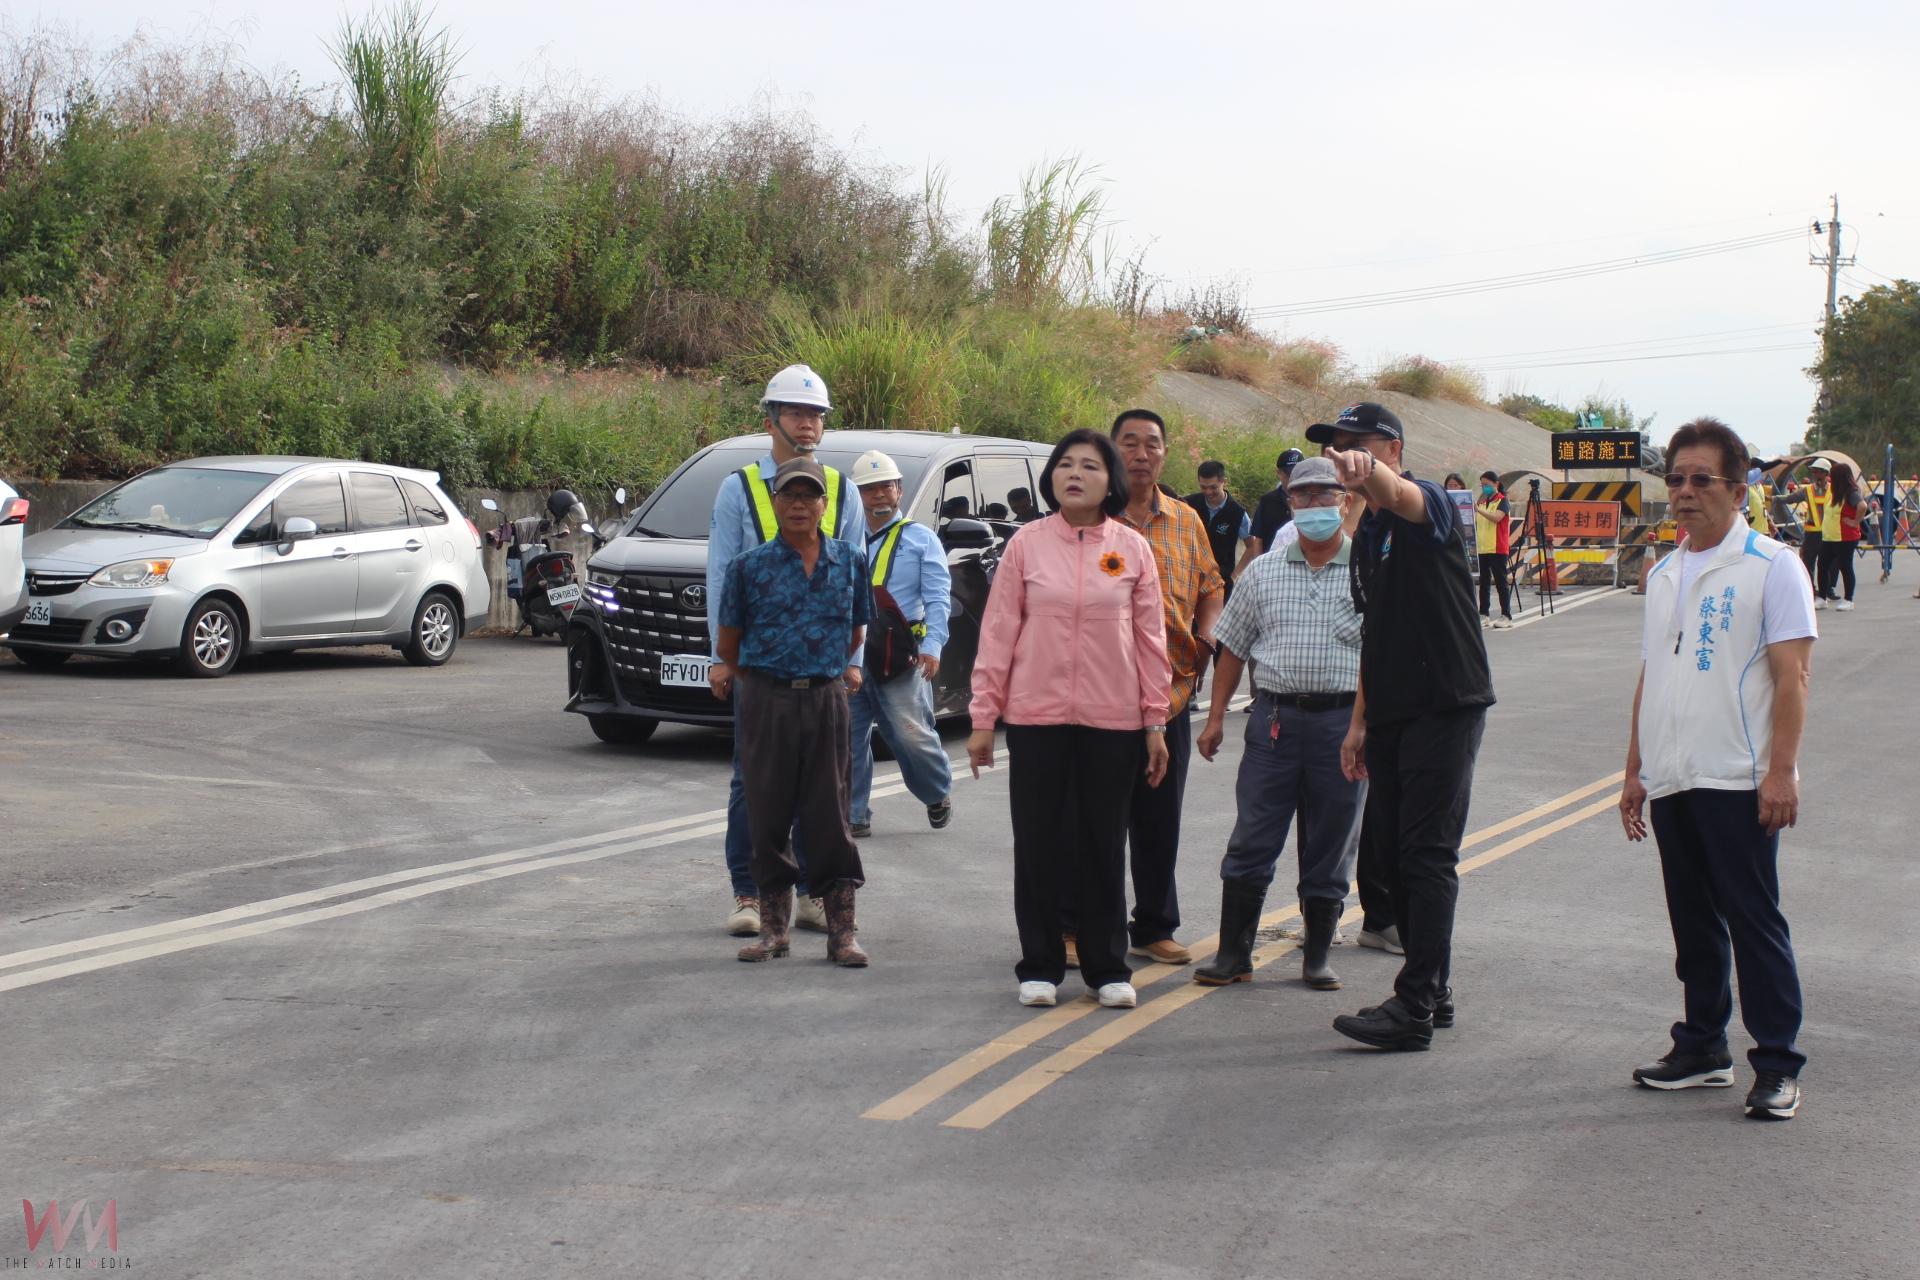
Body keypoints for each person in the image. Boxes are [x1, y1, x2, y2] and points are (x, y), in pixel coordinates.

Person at [1619, 417, 1815, 1120]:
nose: (1684, 492)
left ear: (1737, 489)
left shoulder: (1772, 566)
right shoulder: (1666, 571)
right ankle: (1702, 1046)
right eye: (1675, 478)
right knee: (1692, 922)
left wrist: (1781, 771)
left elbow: (1792, 678)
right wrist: (1635, 769)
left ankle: (1778, 1063)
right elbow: (1655, 672)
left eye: (1702, 479)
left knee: (1752, 918)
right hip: (1674, 776)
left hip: (1738, 777)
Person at [968, 429, 1172, 1010]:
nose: (1074, 473)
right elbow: (999, 632)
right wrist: (985, 716)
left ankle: (1107, 966)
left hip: (1114, 721)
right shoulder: (1027, 545)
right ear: (1051, 477)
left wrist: (1154, 721)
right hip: (1037, 717)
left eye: (1089, 465)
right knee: (1038, 842)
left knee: (1103, 843)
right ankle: (1039, 964)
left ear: (1110, 479)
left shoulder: (1132, 548)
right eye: (1065, 465)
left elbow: (1150, 640)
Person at [1314, 403, 1495, 1051]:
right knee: (1389, 853)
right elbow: (1374, 632)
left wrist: (1369, 477)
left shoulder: (1431, 505)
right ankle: (1434, 989)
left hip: (1444, 702)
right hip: (1390, 710)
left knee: (1426, 855)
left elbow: (1398, 492)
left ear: (1390, 448)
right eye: (1335, 449)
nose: (1340, 459)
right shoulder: (1370, 532)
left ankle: (1415, 1004)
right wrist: (1359, 723)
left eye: (1353, 448)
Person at [1193, 457, 1366, 992]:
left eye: (1324, 495)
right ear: (1288, 502)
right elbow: (1232, 650)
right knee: (1253, 835)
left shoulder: (1371, 572)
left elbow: (1386, 658)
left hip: (1344, 723)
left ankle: (1316, 956)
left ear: (1345, 499)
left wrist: (1369, 727)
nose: (1314, 506)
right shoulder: (1263, 570)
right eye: (1303, 496)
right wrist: (1216, 717)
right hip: (1273, 722)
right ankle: (1233, 954)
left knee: (1331, 841)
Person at [707, 364, 861, 938]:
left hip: (821, 670)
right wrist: (724, 658)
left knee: (822, 786)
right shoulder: (739, 487)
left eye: (817, 415)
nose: (808, 424)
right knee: (754, 780)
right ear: (769, 419)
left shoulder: (840, 488)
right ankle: (749, 892)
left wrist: (853, 662)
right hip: (760, 667)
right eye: (796, 413)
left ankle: (813, 893)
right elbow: (723, 578)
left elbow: (853, 579)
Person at [1111, 408, 1226, 965]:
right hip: (1099, 696)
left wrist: (1206, 639)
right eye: (1128, 443)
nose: (1140, 453)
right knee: (1095, 819)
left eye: (1151, 444)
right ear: (1112, 450)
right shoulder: (1089, 518)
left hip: (1171, 693)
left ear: (1164, 453)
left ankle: (1154, 925)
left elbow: (1212, 583)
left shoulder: (1185, 519)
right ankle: (1078, 923)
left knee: (1159, 819)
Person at [846, 449, 954, 838]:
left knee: (911, 736)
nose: (878, 495)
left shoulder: (920, 539)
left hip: (901, 658)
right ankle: (853, 815)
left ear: (899, 491)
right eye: (869, 488)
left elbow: (939, 597)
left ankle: (936, 792)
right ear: (856, 494)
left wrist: (934, 647)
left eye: (885, 487)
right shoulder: (846, 538)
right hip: (852, 653)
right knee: (848, 739)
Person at [1184, 460, 1252, 601]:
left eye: (1213, 487)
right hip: (1189, 577)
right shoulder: (1188, 504)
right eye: (1203, 487)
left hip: (1220, 581)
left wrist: (1236, 574)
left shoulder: (1237, 513)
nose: (1208, 492)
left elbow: (1252, 545)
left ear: (1223, 482)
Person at [1235, 447, 1307, 578]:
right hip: (1272, 570)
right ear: (1279, 473)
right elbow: (1258, 539)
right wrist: (1259, 571)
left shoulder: (1312, 499)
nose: (1294, 478)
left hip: (1304, 568)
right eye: (1290, 474)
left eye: (1299, 473)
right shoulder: (1267, 501)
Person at [1817, 461, 1864, 612]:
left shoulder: (1851, 492)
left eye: (1832, 474)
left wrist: (1855, 521)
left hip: (1845, 537)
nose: (1830, 477)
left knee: (1845, 567)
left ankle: (1848, 600)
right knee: (1822, 565)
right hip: (1830, 537)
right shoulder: (1833, 490)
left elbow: (1862, 506)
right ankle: (1822, 598)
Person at [1474, 471, 1514, 628]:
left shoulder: (1502, 501)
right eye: (1482, 485)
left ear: (1496, 484)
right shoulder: (1483, 503)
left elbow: (1497, 518)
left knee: (1500, 582)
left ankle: (1506, 615)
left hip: (1497, 548)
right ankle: (1484, 614)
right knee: (1483, 583)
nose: (1485, 488)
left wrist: (1479, 511)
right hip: (1483, 548)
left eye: (1487, 485)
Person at [1797, 458, 1831, 595]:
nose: (1814, 474)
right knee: (1808, 561)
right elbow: (1790, 498)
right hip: (1811, 533)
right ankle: (1810, 588)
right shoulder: (1808, 490)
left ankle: (1828, 589)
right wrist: (1774, 499)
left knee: (1828, 563)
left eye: (1817, 471)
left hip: (1829, 532)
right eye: (1813, 471)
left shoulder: (1834, 490)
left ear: (1825, 473)